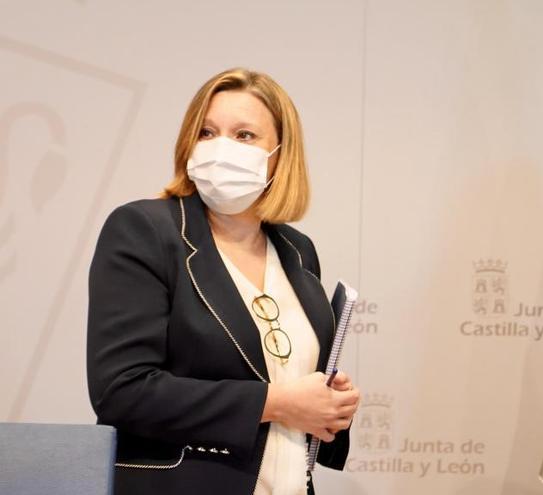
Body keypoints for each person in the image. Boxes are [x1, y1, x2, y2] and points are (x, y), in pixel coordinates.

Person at [87, 68, 359, 495]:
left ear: (281, 154)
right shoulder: (144, 230)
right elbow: (122, 391)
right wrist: (280, 402)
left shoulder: (296, 249)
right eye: (208, 132)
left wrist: (329, 405)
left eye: (245, 135)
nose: (221, 149)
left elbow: (293, 388)